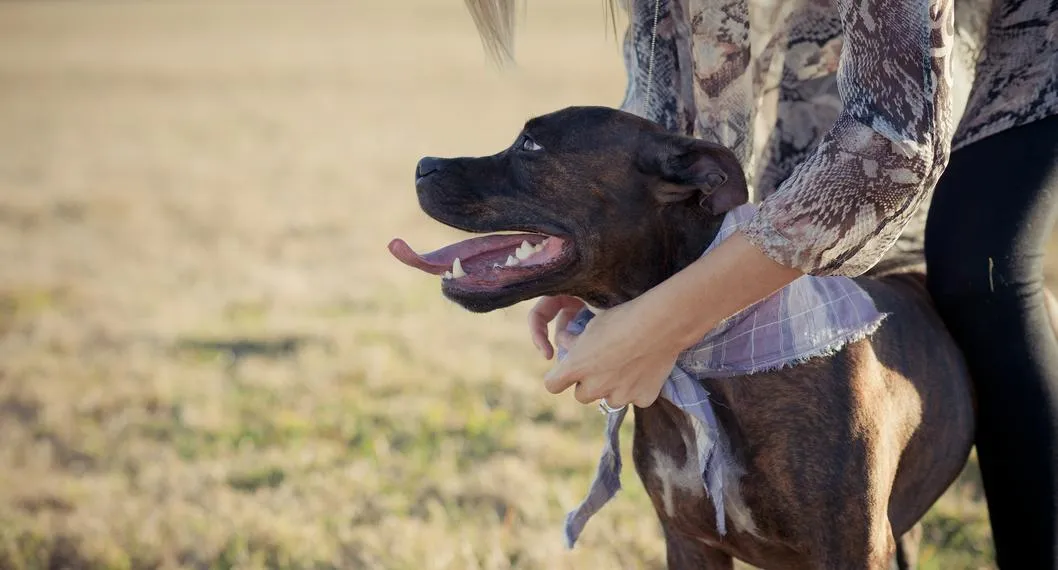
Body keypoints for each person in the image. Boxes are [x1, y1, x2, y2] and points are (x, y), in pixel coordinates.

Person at [465, 0, 1057, 565]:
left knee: (977, 261)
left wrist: (662, 320)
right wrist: (615, 250)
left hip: (1030, 33)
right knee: (806, 248)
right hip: (831, 30)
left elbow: (894, 142)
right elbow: (667, 108)